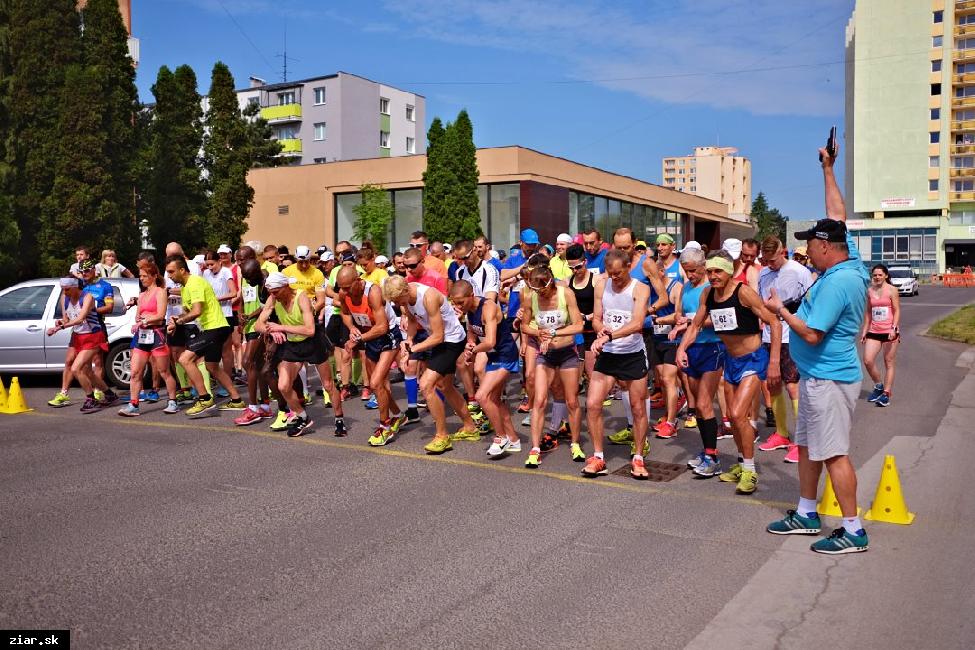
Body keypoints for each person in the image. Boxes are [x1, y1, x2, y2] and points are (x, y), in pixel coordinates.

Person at [765, 141, 871, 554]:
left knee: (834, 454)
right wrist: (828, 169)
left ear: (826, 248)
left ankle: (853, 530)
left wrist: (780, 311)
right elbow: (838, 216)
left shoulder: (840, 281)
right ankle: (807, 513)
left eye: (811, 243)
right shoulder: (848, 261)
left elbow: (810, 334)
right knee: (808, 446)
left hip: (830, 379)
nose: (806, 249)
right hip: (816, 378)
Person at [681, 250, 781, 494]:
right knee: (734, 421)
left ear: (728, 271)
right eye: (711, 271)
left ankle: (749, 470)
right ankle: (740, 460)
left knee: (736, 414)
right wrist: (682, 348)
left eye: (718, 271)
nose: (713, 276)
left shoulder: (743, 292)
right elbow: (695, 326)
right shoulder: (708, 293)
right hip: (730, 360)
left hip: (753, 359)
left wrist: (774, 361)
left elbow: (775, 323)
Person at [382, 275, 480, 454]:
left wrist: (413, 350)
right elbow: (412, 320)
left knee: (426, 385)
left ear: (404, 291)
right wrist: (409, 340)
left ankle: (442, 436)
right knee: (445, 386)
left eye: (397, 300)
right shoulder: (405, 297)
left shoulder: (428, 297)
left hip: (451, 340)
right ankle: (470, 427)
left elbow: (438, 336)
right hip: (438, 340)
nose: (397, 304)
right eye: (394, 302)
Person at [584, 249, 653, 480]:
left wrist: (609, 336)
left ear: (628, 268)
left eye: (618, 274)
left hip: (632, 354)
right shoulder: (601, 286)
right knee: (593, 404)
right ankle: (598, 456)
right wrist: (599, 329)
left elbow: (636, 323)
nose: (614, 278)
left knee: (637, 408)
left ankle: (639, 458)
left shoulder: (640, 288)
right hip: (609, 354)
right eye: (610, 274)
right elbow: (596, 318)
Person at [520, 264, 585, 467]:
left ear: (551, 282)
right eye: (537, 291)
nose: (541, 294)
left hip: (567, 354)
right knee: (539, 400)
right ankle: (535, 448)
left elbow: (579, 325)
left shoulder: (566, 293)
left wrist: (556, 333)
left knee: (572, 401)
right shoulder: (532, 297)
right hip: (545, 355)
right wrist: (536, 333)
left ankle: (575, 443)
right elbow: (524, 324)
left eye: (543, 290)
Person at [164, 255, 245, 417]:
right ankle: (237, 400)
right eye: (167, 272)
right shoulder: (186, 287)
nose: (170, 275)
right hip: (213, 328)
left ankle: (204, 398)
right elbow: (188, 310)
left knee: (185, 359)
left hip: (214, 328)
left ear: (182, 270)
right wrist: (175, 320)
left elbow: (197, 311)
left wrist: (179, 322)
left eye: (171, 271)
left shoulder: (194, 283)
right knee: (212, 366)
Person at [756, 236, 813, 462]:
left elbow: (812, 302)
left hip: (793, 335)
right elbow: (762, 304)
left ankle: (801, 442)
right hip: (770, 334)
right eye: (766, 260)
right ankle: (781, 433)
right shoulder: (763, 273)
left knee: (793, 386)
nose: (769, 264)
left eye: (773, 260)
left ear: (784, 252)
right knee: (772, 384)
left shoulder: (799, 272)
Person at [450, 280, 521, 457]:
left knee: (482, 396)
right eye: (454, 302)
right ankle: (513, 439)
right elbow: (473, 335)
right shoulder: (469, 312)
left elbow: (490, 341)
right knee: (495, 401)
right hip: (493, 356)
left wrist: (473, 351)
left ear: (471, 295)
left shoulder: (488, 307)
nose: (458, 306)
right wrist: (469, 345)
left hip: (506, 355)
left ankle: (500, 437)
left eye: (461, 302)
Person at [671, 248, 725, 476]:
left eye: (693, 270)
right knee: (699, 407)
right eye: (686, 270)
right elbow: (678, 313)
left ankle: (713, 457)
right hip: (692, 347)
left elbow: (720, 319)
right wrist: (680, 320)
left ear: (703, 266)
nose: (690, 274)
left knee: (704, 403)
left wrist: (695, 322)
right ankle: (706, 451)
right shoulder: (685, 287)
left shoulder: (712, 289)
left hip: (713, 347)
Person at [337, 266, 406, 445]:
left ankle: (385, 427)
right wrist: (352, 328)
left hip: (387, 336)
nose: (343, 291)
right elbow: (344, 313)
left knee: (375, 383)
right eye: (341, 287)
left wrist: (357, 339)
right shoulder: (344, 294)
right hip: (369, 338)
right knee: (379, 386)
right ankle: (398, 415)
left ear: (358, 281)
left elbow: (382, 326)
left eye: (347, 287)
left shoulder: (373, 292)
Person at [47, 259, 118, 408]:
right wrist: (61, 322)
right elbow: (68, 317)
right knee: (84, 369)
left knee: (78, 368)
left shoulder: (91, 294)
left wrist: (60, 328)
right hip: (78, 334)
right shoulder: (66, 296)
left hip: (93, 334)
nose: (64, 292)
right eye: (82, 271)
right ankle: (109, 394)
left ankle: (91, 398)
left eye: (66, 289)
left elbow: (80, 318)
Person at [254, 272, 317, 437]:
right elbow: (258, 325)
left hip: (311, 342)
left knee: (328, 384)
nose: (273, 296)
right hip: (291, 344)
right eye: (271, 292)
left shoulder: (301, 297)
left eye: (276, 291)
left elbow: (310, 330)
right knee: (283, 386)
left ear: (286, 286)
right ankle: (302, 416)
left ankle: (339, 420)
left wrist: (280, 328)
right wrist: (271, 330)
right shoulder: (273, 298)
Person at [118, 263, 179, 416]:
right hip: (142, 335)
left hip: (157, 334)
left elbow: (160, 315)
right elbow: (138, 315)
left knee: (164, 371)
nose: (142, 279)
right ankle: (134, 405)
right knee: (135, 372)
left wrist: (146, 320)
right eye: (140, 276)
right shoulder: (142, 294)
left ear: (154, 276)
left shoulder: (160, 292)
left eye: (145, 276)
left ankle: (172, 401)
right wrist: (139, 319)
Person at [861, 264, 900, 408]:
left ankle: (886, 393)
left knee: (888, 362)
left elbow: (896, 311)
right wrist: (865, 330)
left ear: (886, 276)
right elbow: (868, 313)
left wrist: (893, 328)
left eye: (880, 275)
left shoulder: (892, 290)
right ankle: (878, 385)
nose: (877, 277)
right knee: (867, 360)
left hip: (890, 331)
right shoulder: (870, 291)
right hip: (874, 330)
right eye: (874, 275)